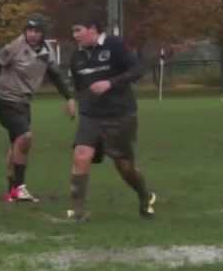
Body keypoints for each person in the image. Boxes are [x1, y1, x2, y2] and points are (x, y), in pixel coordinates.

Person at [0, 16, 77, 203]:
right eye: (29, 30)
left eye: (37, 31)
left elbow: (55, 76)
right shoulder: (14, 47)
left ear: (42, 34)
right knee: (25, 137)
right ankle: (20, 188)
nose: (32, 34)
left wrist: (69, 98)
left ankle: (11, 192)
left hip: (24, 103)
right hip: (5, 100)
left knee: (17, 144)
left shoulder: (46, 51)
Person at [65, 18, 156, 222]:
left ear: (93, 29)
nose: (75, 35)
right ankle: (77, 212)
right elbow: (80, 87)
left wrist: (111, 83)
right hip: (90, 115)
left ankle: (145, 195)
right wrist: (72, 99)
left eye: (78, 30)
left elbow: (138, 70)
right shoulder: (77, 57)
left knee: (125, 167)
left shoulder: (114, 45)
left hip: (120, 114)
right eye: (73, 31)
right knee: (81, 155)